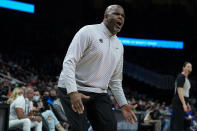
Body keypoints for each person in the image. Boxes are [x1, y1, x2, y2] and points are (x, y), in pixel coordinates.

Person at [58, 4, 137, 131]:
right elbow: (69, 62)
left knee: (109, 127)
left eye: (123, 16)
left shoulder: (119, 45)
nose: (121, 18)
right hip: (75, 88)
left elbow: (115, 80)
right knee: (80, 128)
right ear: (106, 16)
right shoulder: (88, 31)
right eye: (117, 14)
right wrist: (72, 92)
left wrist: (123, 105)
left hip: (99, 93)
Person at [170, 61, 192, 131]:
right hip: (178, 101)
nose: (189, 68)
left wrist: (187, 103)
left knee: (177, 122)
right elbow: (179, 91)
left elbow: (186, 92)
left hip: (182, 101)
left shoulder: (186, 78)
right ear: (183, 68)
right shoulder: (181, 77)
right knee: (178, 123)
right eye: (188, 66)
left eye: (191, 67)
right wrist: (184, 104)